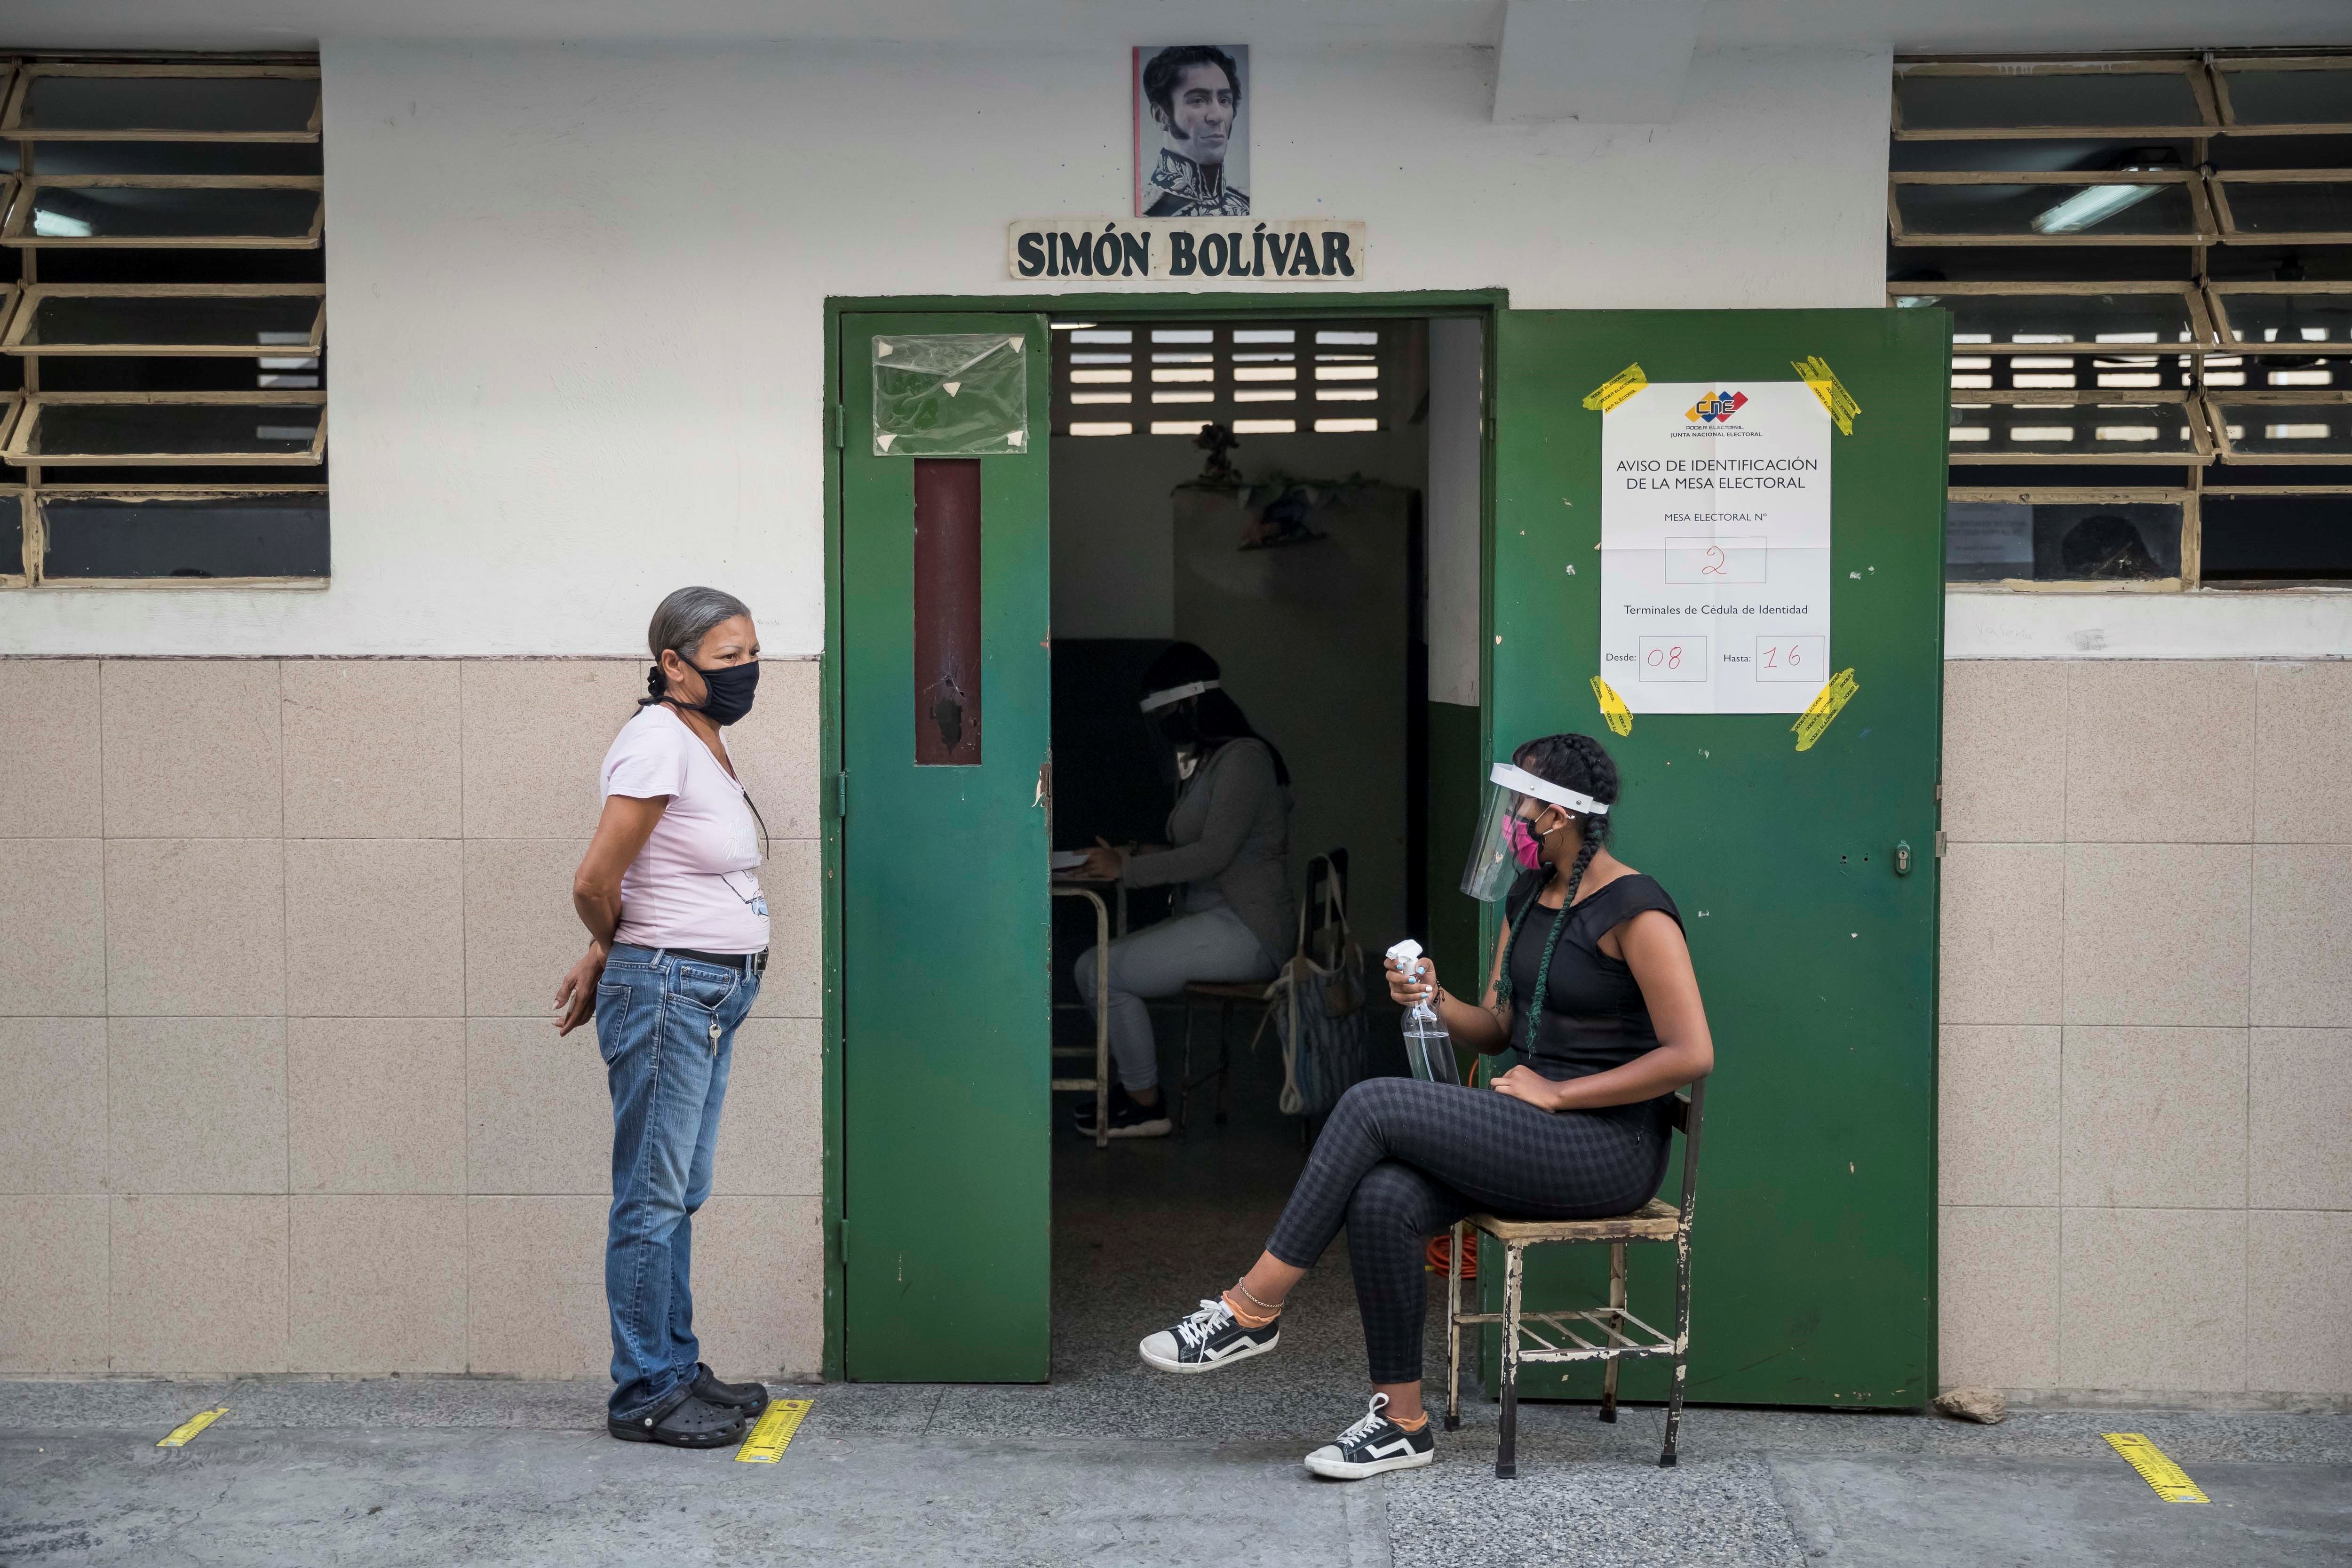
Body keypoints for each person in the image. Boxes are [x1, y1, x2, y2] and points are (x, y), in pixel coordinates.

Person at [1135, 732, 1713, 1480]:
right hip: (1533, 1124)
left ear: (1562, 813)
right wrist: (1435, 998)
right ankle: (1401, 1422)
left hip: (1607, 1147)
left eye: (1524, 801)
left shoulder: (1636, 909)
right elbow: (1503, 1028)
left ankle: (1251, 1308)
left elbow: (1689, 1053)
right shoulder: (1528, 897)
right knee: (1383, 1196)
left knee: (1373, 1104)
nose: (1512, 815)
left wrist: (1560, 1090)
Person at [555, 586, 775, 1449]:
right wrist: (618, 952)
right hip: (671, 993)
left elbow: (654, 879)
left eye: (754, 652)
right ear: (672, 665)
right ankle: (645, 1389)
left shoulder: (701, 738)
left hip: (703, 993)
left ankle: (678, 1368)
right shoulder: (655, 742)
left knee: (681, 1191)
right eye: (727, 658)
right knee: (651, 1198)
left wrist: (616, 950)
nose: (747, 670)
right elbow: (594, 881)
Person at [1072, 643, 1294, 1138]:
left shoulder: (1244, 760)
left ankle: (1145, 1105)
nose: (1165, 725)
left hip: (1246, 928)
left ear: (1191, 704)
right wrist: (1137, 854)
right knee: (1091, 967)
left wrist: (1124, 870)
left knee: (1103, 974)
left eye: (1168, 712)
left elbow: (1213, 854)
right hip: (1214, 916)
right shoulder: (1212, 760)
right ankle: (1133, 1091)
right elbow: (1200, 844)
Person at [1140, 45, 1249, 217]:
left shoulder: (1248, 204)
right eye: (1198, 100)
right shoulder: (1146, 212)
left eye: (1224, 100)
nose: (1217, 116)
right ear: (1161, 116)